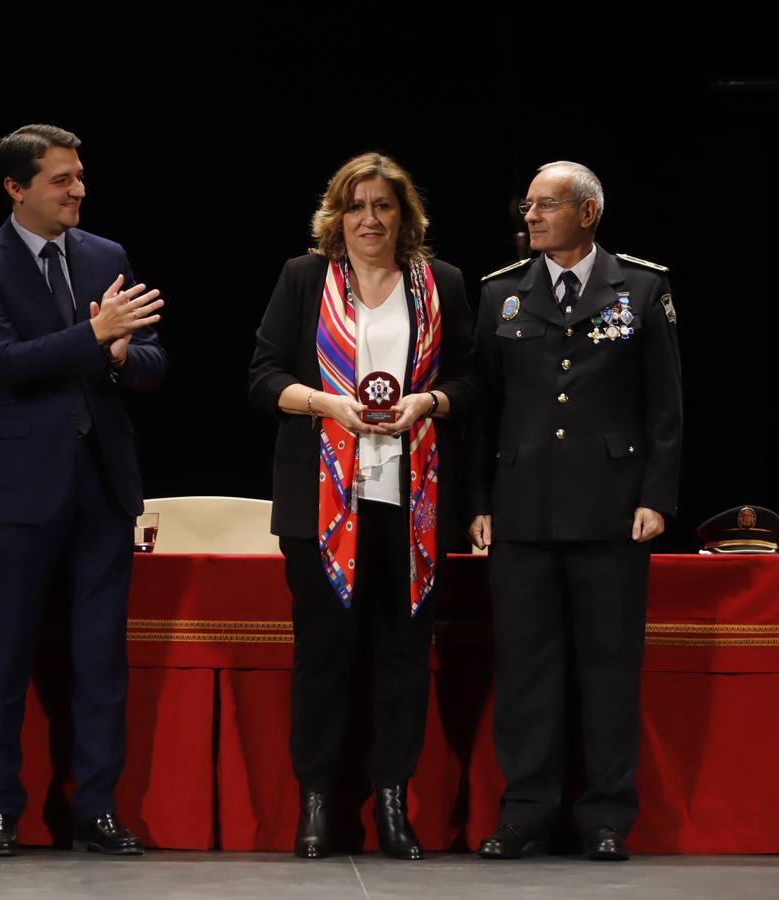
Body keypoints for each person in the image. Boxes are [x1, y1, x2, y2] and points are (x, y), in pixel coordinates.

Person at [0, 124, 166, 858]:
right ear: (16, 187)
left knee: (101, 658)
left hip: (103, 483)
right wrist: (94, 334)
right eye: (60, 180)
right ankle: (1, 811)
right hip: (20, 490)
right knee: (6, 654)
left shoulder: (106, 255)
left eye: (79, 177)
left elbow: (149, 360)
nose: (78, 190)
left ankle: (95, 809)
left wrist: (126, 354)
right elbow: (2, 364)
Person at [249, 152, 476, 859]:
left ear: (404, 215)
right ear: (337, 215)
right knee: (323, 658)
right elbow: (263, 378)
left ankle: (392, 806)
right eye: (357, 206)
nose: (370, 220)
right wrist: (328, 405)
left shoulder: (440, 284)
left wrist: (427, 402)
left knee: (403, 661)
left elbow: (471, 381)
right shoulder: (304, 278)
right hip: (320, 508)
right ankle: (316, 805)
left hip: (413, 507)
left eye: (384, 206)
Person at [467, 161, 682, 862]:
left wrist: (655, 495)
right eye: (526, 205)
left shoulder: (642, 288)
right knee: (527, 667)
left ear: (587, 213)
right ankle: (526, 811)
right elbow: (483, 410)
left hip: (612, 510)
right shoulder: (501, 294)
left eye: (545, 206)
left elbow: (665, 408)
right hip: (523, 508)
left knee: (609, 667)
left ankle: (606, 817)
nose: (529, 216)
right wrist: (477, 502)